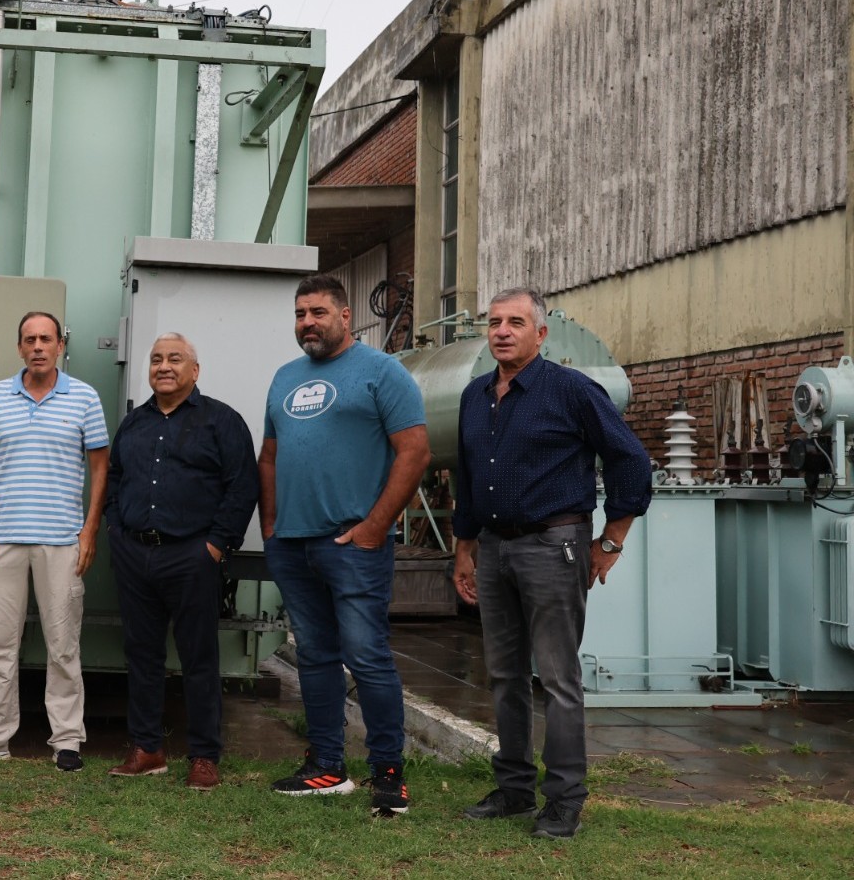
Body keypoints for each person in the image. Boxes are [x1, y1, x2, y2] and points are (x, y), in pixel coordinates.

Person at [452, 287, 651, 840]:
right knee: (503, 675)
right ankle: (514, 788)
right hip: (493, 549)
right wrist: (464, 549)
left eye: (516, 322)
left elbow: (631, 458)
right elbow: (466, 479)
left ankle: (564, 802)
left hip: (553, 545)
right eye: (494, 322)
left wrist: (609, 541)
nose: (502, 331)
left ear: (541, 334)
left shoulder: (571, 391)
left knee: (558, 679)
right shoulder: (474, 396)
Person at [260, 275, 430, 815]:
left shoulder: (384, 372)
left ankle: (388, 775)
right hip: (292, 543)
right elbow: (268, 456)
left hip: (353, 544)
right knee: (314, 655)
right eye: (299, 313)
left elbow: (415, 453)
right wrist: (270, 523)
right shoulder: (285, 377)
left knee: (368, 658)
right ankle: (328, 767)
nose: (307, 322)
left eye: (317, 312)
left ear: (345, 315)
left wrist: (376, 527)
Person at [0, 312, 109, 772]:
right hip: (2, 541)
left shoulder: (84, 397)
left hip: (62, 541)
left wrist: (90, 530)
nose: (38, 346)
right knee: (0, 644)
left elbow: (100, 467)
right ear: (19, 347)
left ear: (61, 344)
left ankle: (66, 741)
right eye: (29, 339)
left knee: (63, 645)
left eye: (46, 338)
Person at [104, 333, 258, 791]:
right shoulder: (133, 424)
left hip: (192, 556)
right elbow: (114, 479)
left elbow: (242, 487)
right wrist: (116, 530)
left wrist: (215, 547)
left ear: (195, 370)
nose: (163, 366)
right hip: (135, 556)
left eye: (175, 359)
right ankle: (147, 749)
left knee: (199, 659)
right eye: (156, 359)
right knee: (142, 655)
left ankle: (204, 757)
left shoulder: (222, 421)